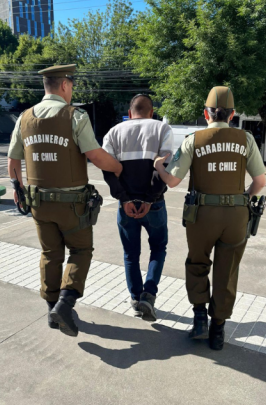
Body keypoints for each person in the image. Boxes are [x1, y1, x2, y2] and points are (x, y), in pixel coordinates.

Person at [6, 64, 122, 337]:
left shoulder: (23, 118)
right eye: (72, 86)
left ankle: (51, 310)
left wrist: (17, 188)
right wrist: (117, 167)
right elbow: (94, 154)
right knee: (81, 251)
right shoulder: (75, 116)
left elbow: (13, 162)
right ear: (65, 86)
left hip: (39, 203)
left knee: (50, 253)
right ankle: (65, 304)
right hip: (72, 205)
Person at [153, 86, 266, 350]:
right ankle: (218, 330)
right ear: (232, 114)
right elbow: (260, 182)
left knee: (197, 263)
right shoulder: (246, 139)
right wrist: (245, 197)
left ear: (206, 113)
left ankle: (200, 318)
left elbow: (172, 181)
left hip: (201, 215)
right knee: (227, 273)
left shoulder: (194, 139)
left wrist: (159, 165)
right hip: (236, 216)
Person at [102, 94, 173, 322]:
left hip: (126, 207)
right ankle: (148, 295)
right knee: (158, 248)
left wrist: (124, 199)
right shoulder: (163, 129)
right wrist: (150, 199)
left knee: (131, 254)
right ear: (152, 112)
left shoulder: (113, 132)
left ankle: (135, 298)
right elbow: (165, 166)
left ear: (130, 113)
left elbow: (107, 169)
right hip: (154, 206)